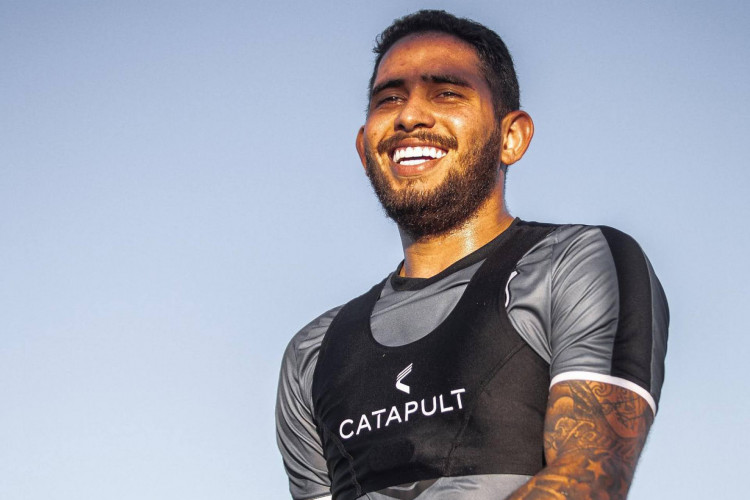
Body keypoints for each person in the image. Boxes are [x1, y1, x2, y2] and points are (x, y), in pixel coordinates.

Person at [276, 9, 668, 500]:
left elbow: (590, 478)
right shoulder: (313, 352)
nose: (409, 115)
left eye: (447, 92)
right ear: (365, 147)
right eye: (389, 98)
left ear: (511, 137)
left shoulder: (572, 263)